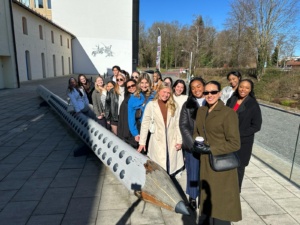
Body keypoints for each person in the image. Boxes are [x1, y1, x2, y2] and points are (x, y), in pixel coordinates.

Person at [193, 80, 241, 224]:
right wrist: (197, 142)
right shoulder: (201, 111)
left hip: (221, 166)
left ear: (219, 94)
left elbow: (235, 143)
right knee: (207, 205)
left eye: (213, 92)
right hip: (205, 164)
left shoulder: (228, 114)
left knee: (221, 207)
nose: (209, 95)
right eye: (206, 92)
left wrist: (210, 149)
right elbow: (196, 132)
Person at [138, 83, 184, 176]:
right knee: (159, 165)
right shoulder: (151, 105)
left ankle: (171, 180)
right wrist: (142, 142)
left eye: (168, 93)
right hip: (157, 139)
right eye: (164, 92)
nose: (166, 95)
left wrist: (179, 140)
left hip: (172, 138)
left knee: (171, 163)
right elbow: (145, 124)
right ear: (159, 91)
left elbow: (177, 124)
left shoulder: (174, 105)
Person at [226, 79, 262, 191]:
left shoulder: (253, 105)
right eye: (241, 87)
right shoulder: (232, 99)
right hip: (228, 140)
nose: (243, 90)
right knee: (227, 166)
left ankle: (236, 193)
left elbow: (256, 126)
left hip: (243, 143)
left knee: (238, 168)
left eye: (247, 88)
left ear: (250, 90)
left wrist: (239, 133)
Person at [179, 77, 206, 211]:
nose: (196, 90)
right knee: (193, 172)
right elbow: (183, 125)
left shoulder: (211, 101)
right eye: (193, 87)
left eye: (199, 86)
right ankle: (193, 197)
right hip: (192, 146)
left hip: (209, 145)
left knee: (207, 172)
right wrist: (192, 143)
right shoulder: (187, 104)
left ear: (204, 86)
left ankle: (205, 196)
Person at [128, 73, 156, 143]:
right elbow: (131, 117)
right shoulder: (134, 97)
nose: (144, 85)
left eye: (146, 83)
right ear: (139, 83)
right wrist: (135, 133)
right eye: (142, 83)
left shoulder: (155, 95)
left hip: (153, 127)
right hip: (140, 127)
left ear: (149, 83)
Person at [117, 79, 138, 148]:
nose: (131, 87)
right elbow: (124, 120)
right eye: (129, 87)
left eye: (133, 85)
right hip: (131, 133)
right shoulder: (126, 101)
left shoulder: (141, 97)